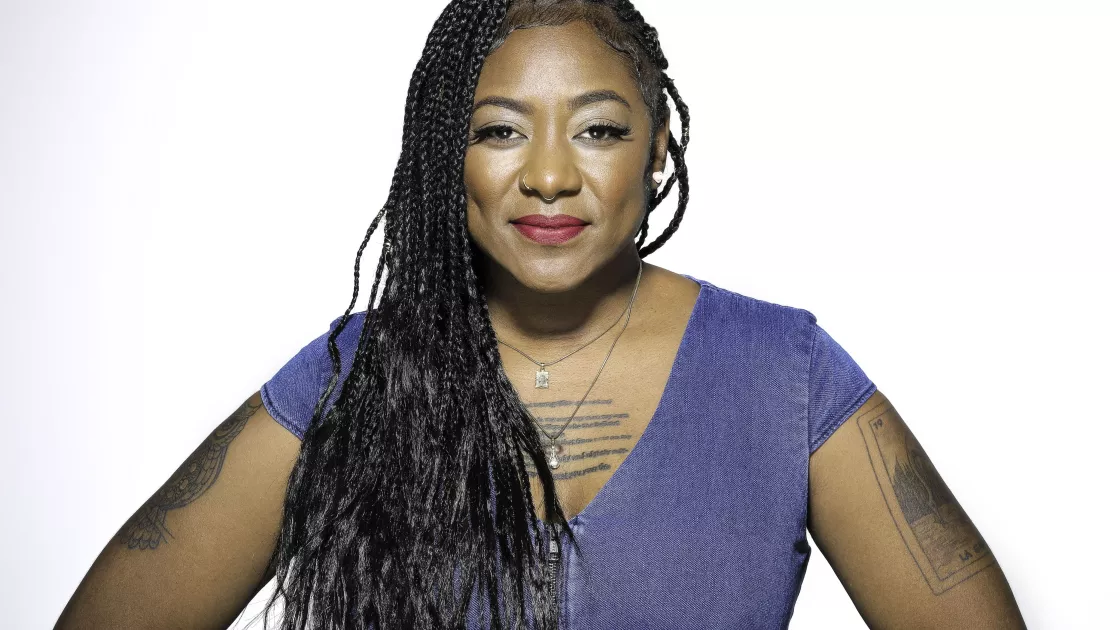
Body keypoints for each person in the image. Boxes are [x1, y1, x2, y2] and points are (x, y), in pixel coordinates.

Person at [54, 1, 1027, 628]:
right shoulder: (357, 374)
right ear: (449, 156)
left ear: (655, 151)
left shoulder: (784, 374)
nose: (551, 176)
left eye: (599, 129)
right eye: (499, 130)